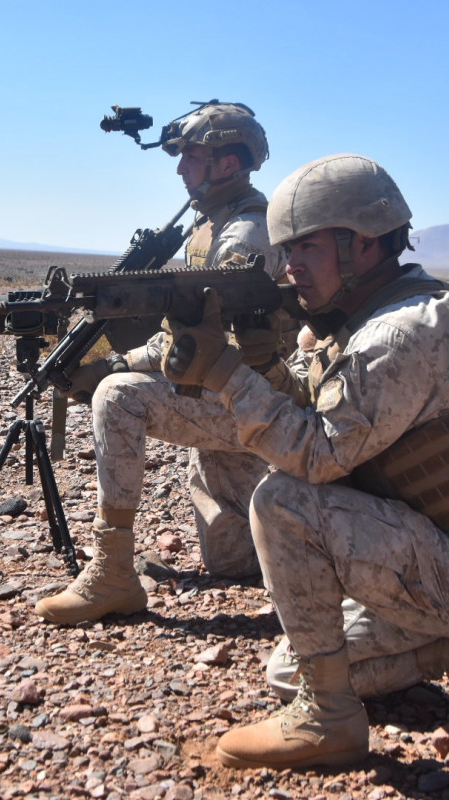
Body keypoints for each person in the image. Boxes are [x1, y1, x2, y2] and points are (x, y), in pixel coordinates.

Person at [157, 153, 449, 769]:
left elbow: (317, 456)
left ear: (362, 244)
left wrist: (228, 376)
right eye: (286, 250)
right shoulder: (368, 317)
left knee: (283, 499)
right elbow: (330, 421)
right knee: (290, 666)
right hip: (440, 554)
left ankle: (329, 720)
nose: (288, 267)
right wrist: (263, 366)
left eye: (306, 249)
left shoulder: (401, 333)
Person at [35, 102, 290, 625]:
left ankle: (113, 575)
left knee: (119, 398)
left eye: (190, 157)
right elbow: (182, 338)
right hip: (234, 391)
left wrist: (111, 375)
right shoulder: (212, 225)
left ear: (225, 164)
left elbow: (202, 349)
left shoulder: (243, 235)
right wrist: (114, 360)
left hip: (248, 397)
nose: (179, 169)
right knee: (232, 560)